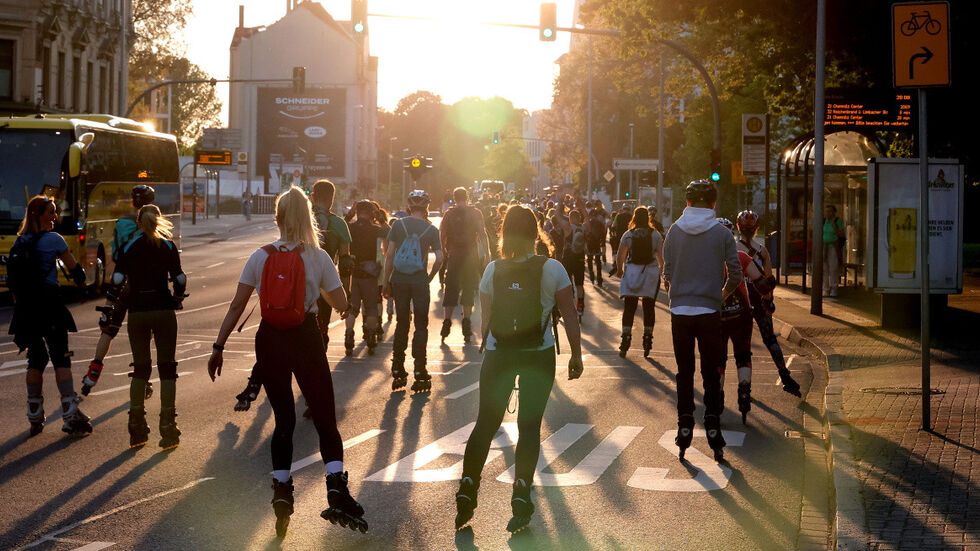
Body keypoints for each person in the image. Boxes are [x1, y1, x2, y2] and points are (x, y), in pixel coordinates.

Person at [207, 186, 367, 538]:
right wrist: (335, 295)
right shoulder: (319, 257)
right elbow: (339, 302)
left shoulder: (260, 256)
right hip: (306, 338)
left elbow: (236, 306)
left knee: (283, 421)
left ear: (277, 218)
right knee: (325, 418)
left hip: (270, 339)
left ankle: (281, 491)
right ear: (309, 217)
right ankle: (336, 489)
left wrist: (218, 346)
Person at [454, 205, 583, 533]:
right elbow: (569, 313)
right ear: (535, 232)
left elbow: (486, 323)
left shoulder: (492, 270)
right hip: (537, 355)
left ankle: (468, 488)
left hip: (499, 355)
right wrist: (576, 355)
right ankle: (521, 496)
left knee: (485, 423)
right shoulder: (552, 268)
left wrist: (497, 353)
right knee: (528, 427)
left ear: (504, 233)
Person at [662, 180, 742, 462]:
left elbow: (667, 271)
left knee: (685, 372)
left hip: (680, 312)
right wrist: (719, 295)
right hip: (709, 312)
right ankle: (712, 426)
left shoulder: (674, 231)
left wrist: (676, 289)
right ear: (712, 204)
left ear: (687, 203)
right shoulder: (721, 233)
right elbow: (735, 273)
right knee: (711, 371)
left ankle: (685, 424)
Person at [8, 195, 90, 436]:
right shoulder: (54, 240)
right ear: (39, 215)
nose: (55, 216)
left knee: (35, 359)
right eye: (51, 212)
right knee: (61, 358)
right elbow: (75, 269)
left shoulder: (20, 242)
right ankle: (69, 413)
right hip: (50, 307)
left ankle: (34, 413)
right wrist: (82, 284)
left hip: (26, 309)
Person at [113, 205, 187, 449]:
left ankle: (136, 426)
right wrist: (177, 297)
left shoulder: (129, 247)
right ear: (158, 221)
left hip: (137, 313)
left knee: (141, 368)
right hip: (163, 310)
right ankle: (167, 426)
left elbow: (116, 279)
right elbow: (179, 278)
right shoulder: (167, 246)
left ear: (138, 222)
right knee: (167, 368)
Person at [82, 184, 158, 398]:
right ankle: (142, 379)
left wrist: (108, 303)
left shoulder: (122, 224)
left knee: (109, 330)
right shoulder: (155, 226)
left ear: (133, 203)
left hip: (123, 285)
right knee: (144, 335)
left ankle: (92, 376)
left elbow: (116, 255)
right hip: (147, 289)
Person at [382, 190, 444, 392]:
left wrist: (386, 281)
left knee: (401, 322)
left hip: (399, 280)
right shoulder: (431, 230)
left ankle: (398, 367)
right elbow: (441, 258)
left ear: (409, 206)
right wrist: (430, 277)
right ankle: (420, 370)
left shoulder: (398, 225)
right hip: (419, 282)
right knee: (421, 325)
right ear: (426, 207)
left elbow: (389, 255)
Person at [735, 210, 801, 397]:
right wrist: (769, 301)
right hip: (759, 299)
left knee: (742, 345)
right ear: (757, 229)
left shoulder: (732, 248)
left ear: (738, 227)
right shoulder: (762, 251)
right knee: (770, 339)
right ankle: (785, 375)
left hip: (739, 301)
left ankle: (744, 384)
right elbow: (769, 280)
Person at [716, 218, 773, 424]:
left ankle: (718, 396)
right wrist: (767, 302)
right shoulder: (740, 256)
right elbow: (761, 283)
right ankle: (744, 390)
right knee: (743, 354)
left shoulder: (706, 259)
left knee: (718, 358)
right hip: (742, 313)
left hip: (717, 314)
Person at [439, 187, 489, 345]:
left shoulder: (449, 213)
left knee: (451, 286)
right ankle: (466, 322)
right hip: (471, 255)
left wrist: (444, 250)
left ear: (454, 197)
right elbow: (482, 233)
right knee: (469, 287)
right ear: (467, 197)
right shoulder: (476, 213)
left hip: (454, 254)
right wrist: (487, 254)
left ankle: (447, 321)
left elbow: (442, 233)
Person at [615, 207, 664, 358]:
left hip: (633, 272)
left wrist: (620, 270)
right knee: (649, 307)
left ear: (634, 218)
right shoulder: (656, 235)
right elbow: (661, 258)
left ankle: (626, 337)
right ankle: (648, 338)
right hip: (650, 272)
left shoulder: (628, 235)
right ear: (648, 218)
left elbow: (620, 256)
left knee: (629, 307)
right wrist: (661, 271)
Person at [344, 201, 388, 356]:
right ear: (371, 213)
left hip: (353, 272)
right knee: (370, 307)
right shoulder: (375, 229)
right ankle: (370, 337)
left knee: (352, 307)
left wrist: (349, 214)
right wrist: (381, 219)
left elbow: (340, 226)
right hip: (369, 273)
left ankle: (349, 335)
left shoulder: (350, 227)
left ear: (357, 212)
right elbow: (389, 232)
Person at [562, 209, 588, 317]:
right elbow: (588, 219)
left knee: (568, 283)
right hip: (580, 259)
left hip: (568, 259)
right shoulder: (583, 228)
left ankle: (569, 305)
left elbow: (558, 216)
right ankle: (580, 304)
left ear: (570, 218)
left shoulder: (569, 228)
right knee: (580, 284)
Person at [822, 204, 846, 297]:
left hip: (833, 246)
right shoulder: (824, 221)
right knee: (824, 269)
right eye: (827, 211)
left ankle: (834, 288)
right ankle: (825, 289)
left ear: (834, 212)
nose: (828, 213)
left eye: (830, 211)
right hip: (824, 246)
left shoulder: (837, 221)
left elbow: (842, 234)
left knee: (833, 268)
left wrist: (835, 227)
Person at [584, 207, 606, 287]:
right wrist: (602, 244)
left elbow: (584, 234)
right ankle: (599, 278)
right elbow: (603, 234)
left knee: (589, 260)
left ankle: (591, 275)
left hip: (590, 244)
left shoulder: (587, 223)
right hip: (597, 244)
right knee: (598, 261)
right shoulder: (600, 223)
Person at [609, 206, 631, 276]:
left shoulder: (618, 216)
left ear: (623, 209)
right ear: (629, 210)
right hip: (630, 236)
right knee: (628, 254)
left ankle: (620, 268)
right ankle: (626, 269)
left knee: (621, 253)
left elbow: (614, 225)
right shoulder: (632, 216)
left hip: (620, 237)